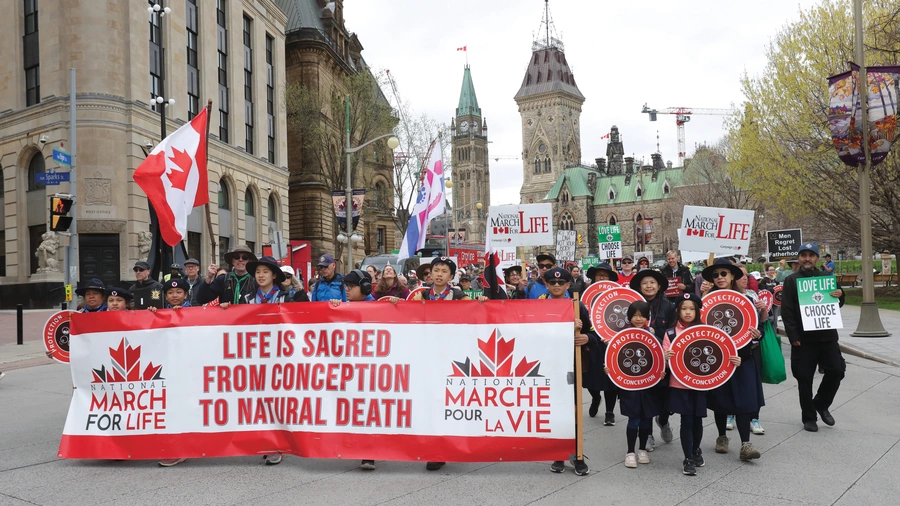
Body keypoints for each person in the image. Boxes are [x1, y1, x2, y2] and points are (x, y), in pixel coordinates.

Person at [412, 257, 485, 471]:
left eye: (444, 271)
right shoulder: (421, 296)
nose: (439, 274)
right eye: (436, 270)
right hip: (427, 356)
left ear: (451, 276)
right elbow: (404, 315)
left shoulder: (460, 297)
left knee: (448, 402)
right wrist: (396, 305)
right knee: (430, 402)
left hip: (451, 356)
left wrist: (479, 303)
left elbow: (475, 316)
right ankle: (434, 448)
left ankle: (446, 447)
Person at [700, 259, 764, 461]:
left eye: (724, 274)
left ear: (732, 276)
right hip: (717, 359)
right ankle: (722, 437)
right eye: (716, 275)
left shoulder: (745, 301)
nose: (720, 277)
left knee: (744, 401)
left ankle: (745, 443)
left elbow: (759, 328)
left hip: (742, 358)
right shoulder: (705, 301)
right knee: (720, 400)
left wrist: (757, 334)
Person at [781, 243, 846, 433]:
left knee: (836, 370)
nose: (807, 259)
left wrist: (840, 295)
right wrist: (793, 335)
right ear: (799, 258)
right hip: (803, 339)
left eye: (811, 255)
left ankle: (821, 403)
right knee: (804, 378)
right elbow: (787, 310)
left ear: (817, 259)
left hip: (827, 337)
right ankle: (809, 417)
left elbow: (838, 302)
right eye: (804, 255)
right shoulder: (792, 281)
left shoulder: (827, 278)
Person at [663, 293, 723, 476]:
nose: (687, 312)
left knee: (698, 419)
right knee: (686, 420)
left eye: (691, 309)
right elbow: (666, 360)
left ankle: (696, 449)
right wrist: (666, 358)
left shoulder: (706, 330)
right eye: (683, 308)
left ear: (697, 311)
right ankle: (687, 457)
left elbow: (718, 353)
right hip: (679, 385)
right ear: (677, 311)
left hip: (700, 384)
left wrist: (732, 360)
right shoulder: (671, 332)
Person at [541, 267, 593, 476]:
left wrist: (586, 338)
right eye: (552, 283)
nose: (556, 286)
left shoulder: (577, 305)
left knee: (572, 410)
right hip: (546, 365)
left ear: (567, 285)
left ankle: (577, 453)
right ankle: (558, 454)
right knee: (554, 410)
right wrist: (566, 327)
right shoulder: (540, 306)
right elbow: (534, 332)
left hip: (571, 366)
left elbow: (592, 332)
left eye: (560, 283)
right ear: (546, 285)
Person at [609, 301, 665, 469]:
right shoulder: (621, 335)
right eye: (635, 315)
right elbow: (613, 357)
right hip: (630, 387)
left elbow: (660, 358)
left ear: (648, 317)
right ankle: (630, 452)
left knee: (646, 420)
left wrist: (661, 372)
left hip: (649, 386)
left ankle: (642, 450)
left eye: (642, 315)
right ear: (629, 317)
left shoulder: (653, 336)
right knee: (633, 420)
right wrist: (608, 369)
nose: (638, 319)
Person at [630, 268, 676, 450]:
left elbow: (674, 331)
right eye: (644, 283)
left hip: (664, 360)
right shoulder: (633, 306)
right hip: (642, 361)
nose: (648, 286)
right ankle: (647, 434)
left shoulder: (668, 307)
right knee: (646, 399)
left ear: (658, 286)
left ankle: (663, 420)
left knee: (666, 399)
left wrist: (657, 334)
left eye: (652, 283)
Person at [584, 262, 620, 425]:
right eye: (599, 275)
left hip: (610, 342)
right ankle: (595, 397)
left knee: (609, 379)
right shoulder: (585, 296)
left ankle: (610, 412)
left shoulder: (618, 296)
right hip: (591, 343)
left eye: (605, 275)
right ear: (594, 277)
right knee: (590, 378)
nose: (602, 277)